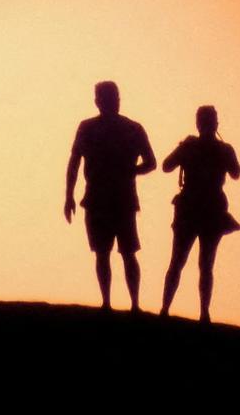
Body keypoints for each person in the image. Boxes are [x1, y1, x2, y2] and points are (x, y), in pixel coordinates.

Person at [65, 81, 156, 312]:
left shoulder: (128, 128)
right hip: (103, 200)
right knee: (109, 253)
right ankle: (114, 302)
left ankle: (128, 303)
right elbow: (74, 162)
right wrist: (68, 196)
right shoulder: (96, 128)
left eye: (112, 97)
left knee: (122, 253)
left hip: (116, 200)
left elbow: (151, 163)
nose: (110, 102)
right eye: (108, 98)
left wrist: (129, 171)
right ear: (99, 101)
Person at [159, 105, 240, 324]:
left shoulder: (189, 146)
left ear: (198, 124)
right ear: (215, 124)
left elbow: (166, 166)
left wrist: (184, 148)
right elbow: (236, 173)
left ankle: (165, 309)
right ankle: (204, 313)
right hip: (212, 209)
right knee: (206, 264)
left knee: (177, 261)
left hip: (189, 208)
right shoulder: (224, 149)